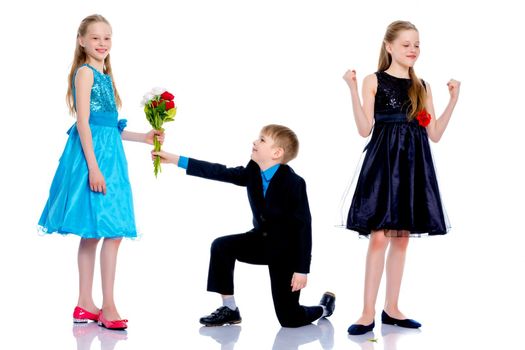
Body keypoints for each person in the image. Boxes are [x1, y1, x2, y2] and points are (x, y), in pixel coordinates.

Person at [38, 14, 163, 330]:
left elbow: (109, 127)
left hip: (111, 156)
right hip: (94, 158)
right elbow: (83, 123)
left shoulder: (106, 74)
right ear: (81, 41)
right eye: (95, 38)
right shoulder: (84, 74)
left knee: (103, 231)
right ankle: (106, 305)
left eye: (107, 37)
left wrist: (143, 137)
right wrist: (93, 168)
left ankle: (85, 304)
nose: (102, 43)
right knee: (104, 229)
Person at [342, 20, 460, 335]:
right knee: (380, 236)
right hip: (383, 162)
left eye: (417, 44)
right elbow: (364, 129)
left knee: (403, 239)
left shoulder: (422, 87)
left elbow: (433, 133)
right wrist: (353, 89)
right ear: (389, 46)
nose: (413, 50)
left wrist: (453, 102)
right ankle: (367, 313)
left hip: (412, 164)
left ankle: (391, 309)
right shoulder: (374, 80)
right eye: (406, 44)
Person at [152, 124, 335, 328]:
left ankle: (324, 308)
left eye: (262, 140)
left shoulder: (294, 183)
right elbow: (220, 171)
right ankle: (229, 309)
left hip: (286, 253)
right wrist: (177, 160)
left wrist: (302, 269)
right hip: (260, 241)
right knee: (221, 246)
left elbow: (304, 228)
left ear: (277, 153)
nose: (255, 142)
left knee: (289, 319)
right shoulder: (252, 172)